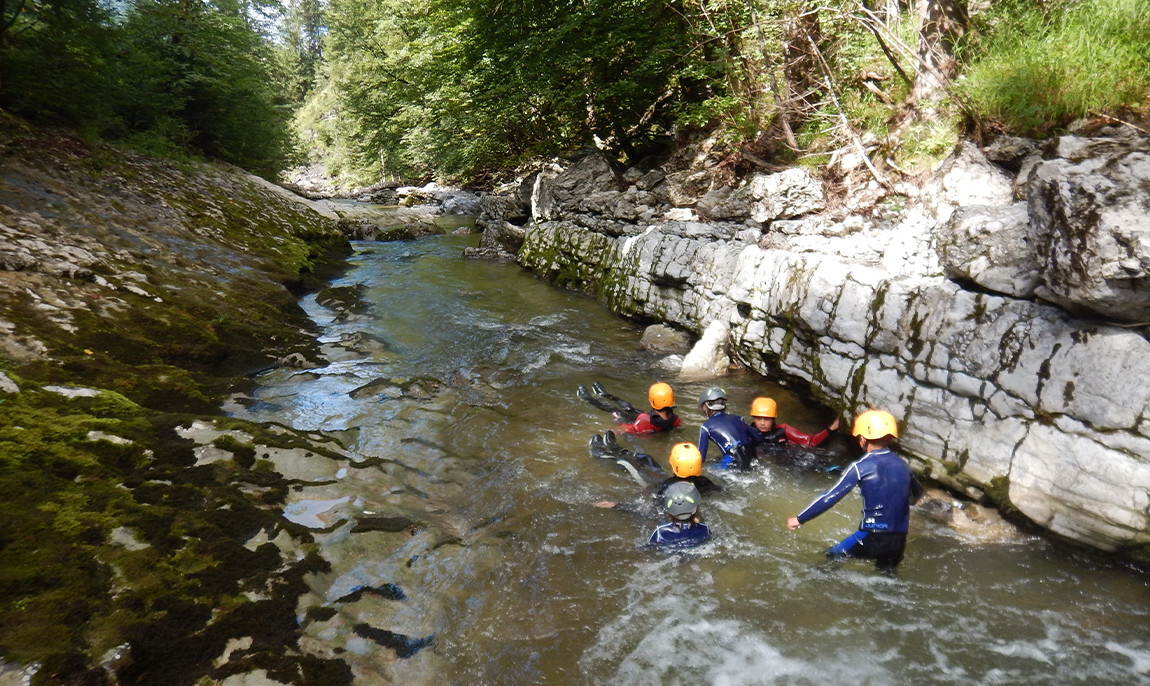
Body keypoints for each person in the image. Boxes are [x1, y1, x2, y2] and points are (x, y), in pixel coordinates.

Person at [786, 409, 924, 572]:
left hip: (872, 536)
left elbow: (830, 497)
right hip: (898, 541)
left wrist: (800, 519)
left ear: (862, 438)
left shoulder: (860, 467)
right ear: (890, 437)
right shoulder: (904, 466)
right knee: (886, 583)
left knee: (830, 557)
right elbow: (917, 494)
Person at [593, 442, 721, 510]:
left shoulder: (667, 486)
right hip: (663, 480)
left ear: (673, 463)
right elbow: (719, 489)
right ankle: (612, 449)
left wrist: (616, 506)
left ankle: (605, 453)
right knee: (646, 459)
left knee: (636, 462)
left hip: (657, 482)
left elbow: (652, 509)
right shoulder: (704, 482)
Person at [577, 381, 681, 435]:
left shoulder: (644, 419)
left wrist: (614, 426)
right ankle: (605, 394)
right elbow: (678, 427)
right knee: (628, 407)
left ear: (652, 401)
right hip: (646, 421)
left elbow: (626, 430)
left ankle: (587, 398)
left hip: (638, 423)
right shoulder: (675, 419)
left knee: (614, 410)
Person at [697, 386, 756, 470]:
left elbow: (700, 458)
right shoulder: (739, 419)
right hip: (752, 458)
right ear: (724, 405)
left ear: (705, 408)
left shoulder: (705, 427)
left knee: (710, 466)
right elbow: (758, 438)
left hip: (733, 462)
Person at [746, 396, 840, 448]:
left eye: (766, 419)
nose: (762, 423)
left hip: (788, 458)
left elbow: (811, 442)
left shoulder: (784, 430)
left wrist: (830, 429)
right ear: (754, 419)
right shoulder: (748, 432)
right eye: (758, 419)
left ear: (773, 419)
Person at [648, 481, 712, 547]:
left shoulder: (660, 531)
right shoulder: (705, 529)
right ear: (697, 508)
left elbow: (649, 548)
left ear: (669, 513)